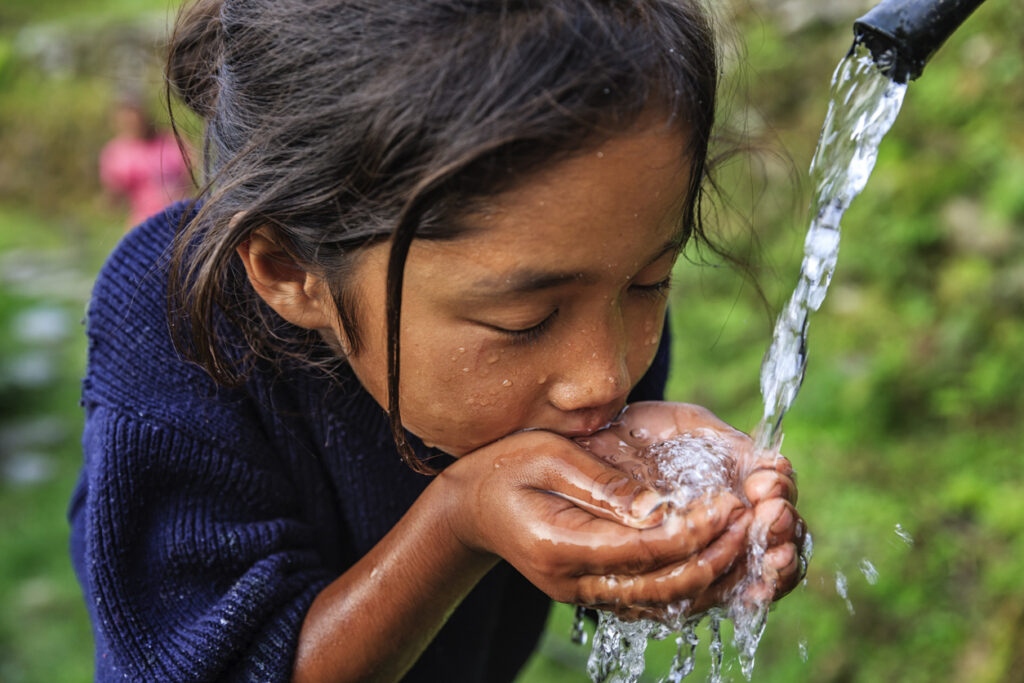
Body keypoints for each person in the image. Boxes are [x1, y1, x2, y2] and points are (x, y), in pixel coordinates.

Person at [68, 1, 807, 681]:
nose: (604, 378)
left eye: (650, 283)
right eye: (524, 323)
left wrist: (671, 520)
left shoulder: (587, 289)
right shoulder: (179, 330)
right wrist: (460, 520)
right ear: (292, 269)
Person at [98, 96, 192, 228]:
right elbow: (114, 194)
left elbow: (192, 174)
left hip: (180, 217)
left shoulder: (171, 141)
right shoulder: (117, 152)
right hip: (145, 224)